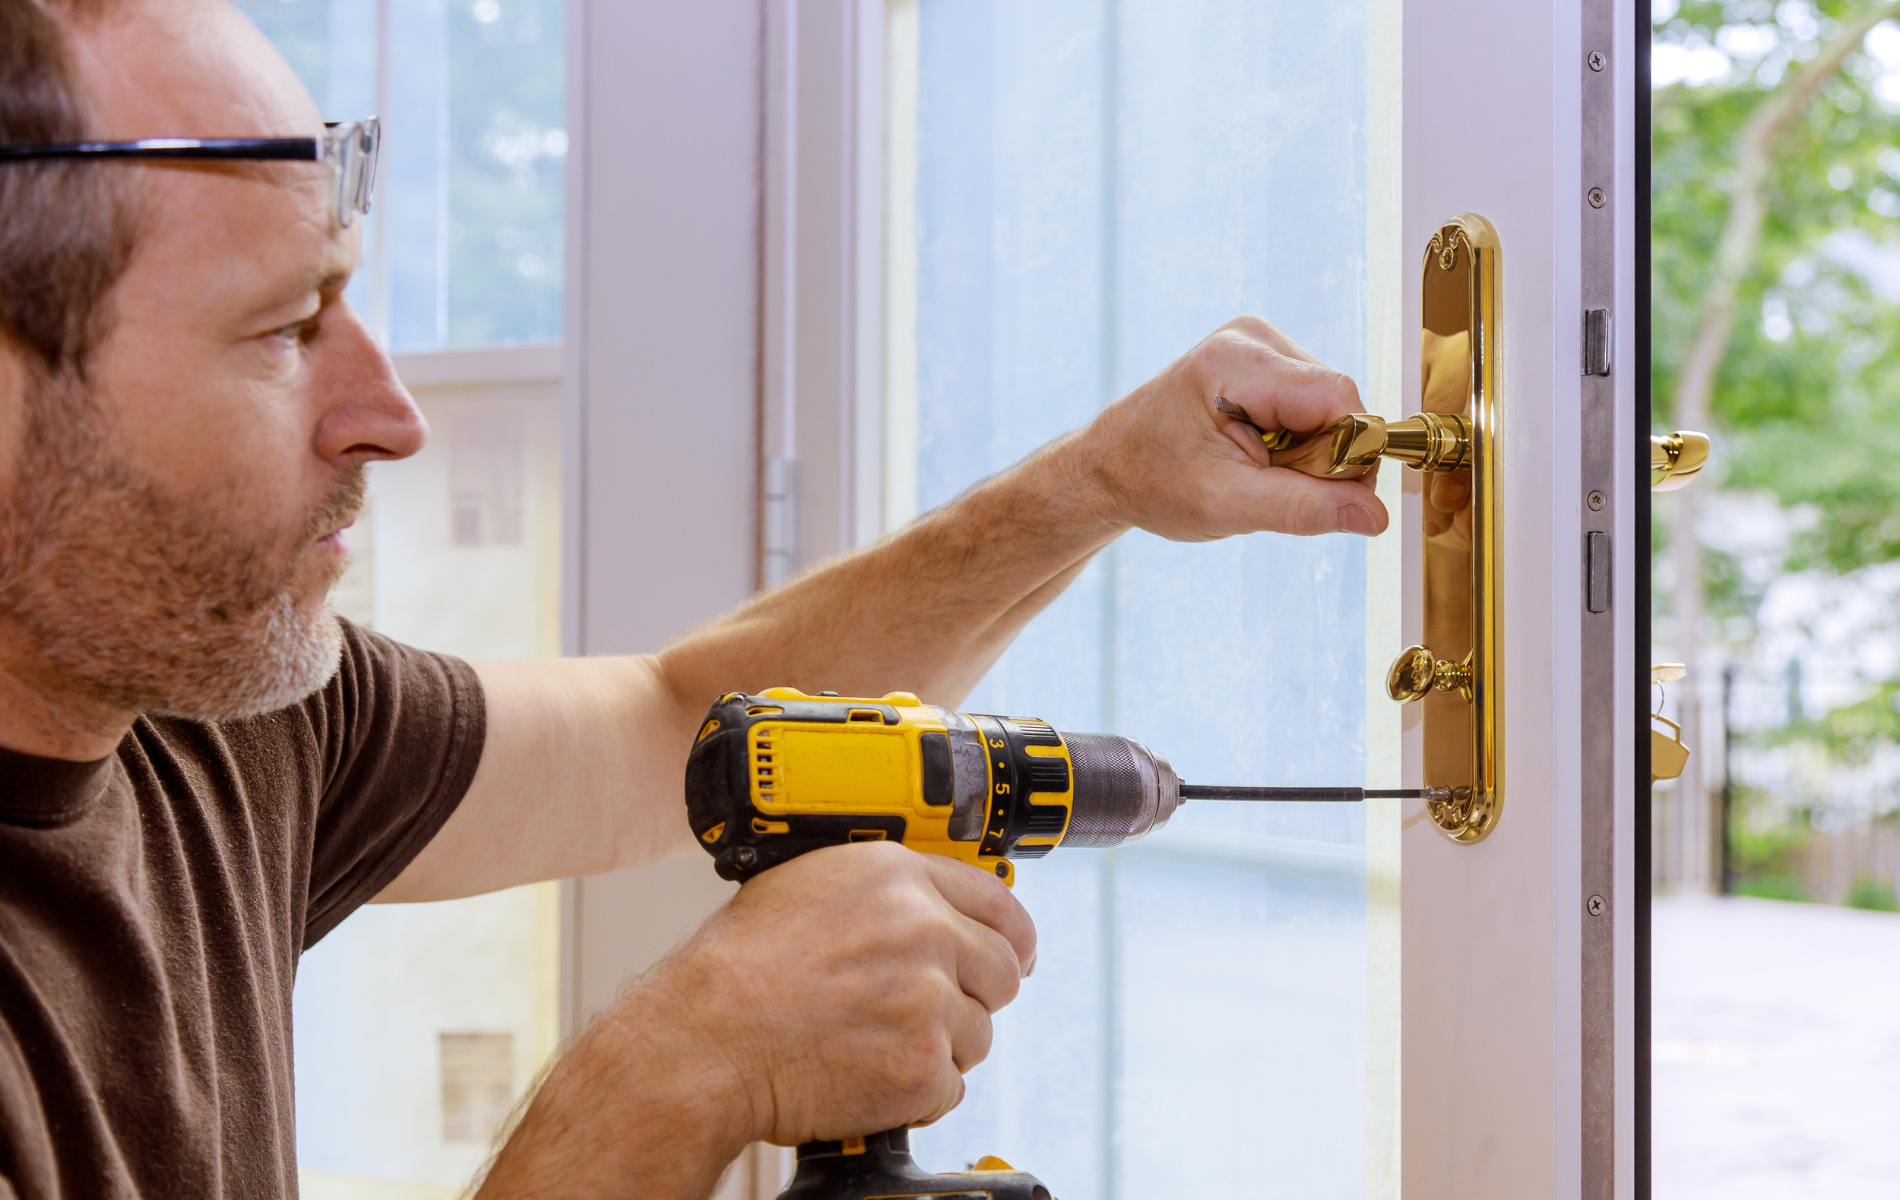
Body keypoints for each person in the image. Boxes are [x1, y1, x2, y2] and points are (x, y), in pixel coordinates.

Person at [0, 0, 1387, 1196]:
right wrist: (682, 1065)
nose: (391, 414)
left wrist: (1093, 482)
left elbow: (683, 725)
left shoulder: (213, 716)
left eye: (347, 298)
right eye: (284, 328)